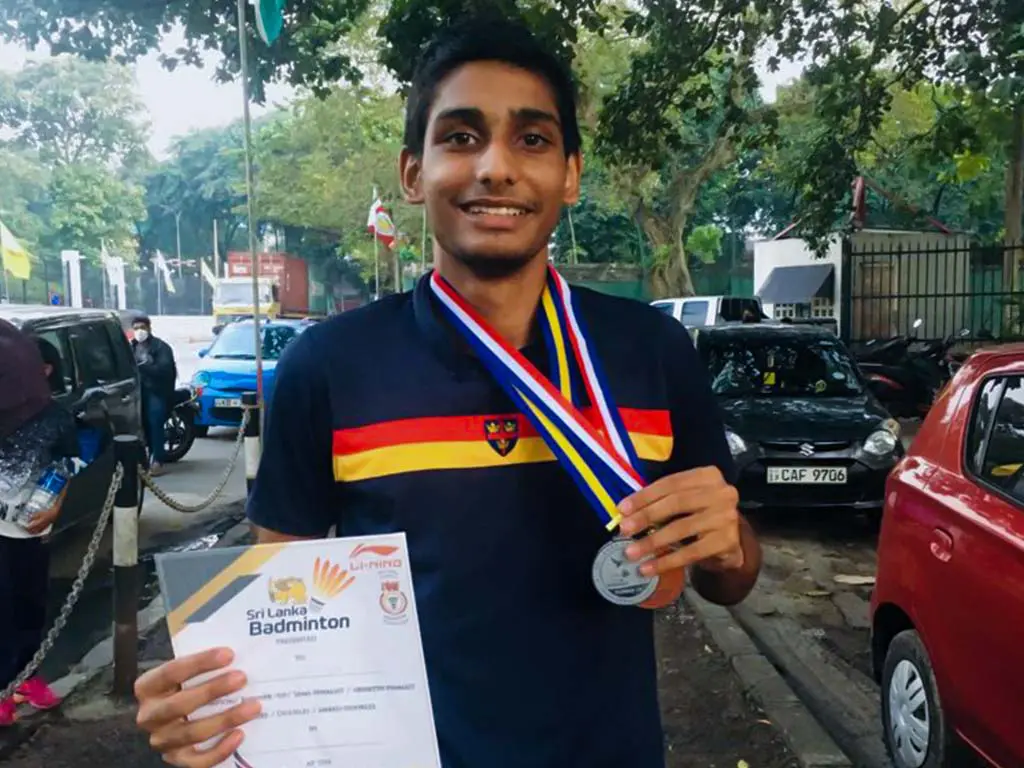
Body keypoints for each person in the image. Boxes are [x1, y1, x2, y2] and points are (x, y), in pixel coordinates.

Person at [133, 17, 762, 768]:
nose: (495, 168)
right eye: (461, 137)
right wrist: (208, 709)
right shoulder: (330, 364)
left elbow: (731, 577)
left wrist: (727, 547)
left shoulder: (651, 351)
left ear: (570, 174)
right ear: (412, 173)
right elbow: (281, 606)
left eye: (532, 139)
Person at [0, 321, 79, 726]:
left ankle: (27, 676)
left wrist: (55, 508)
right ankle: (3, 689)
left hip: (31, 528)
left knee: (30, 604)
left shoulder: (54, 416)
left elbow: (66, 464)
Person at [131, 314, 177, 475]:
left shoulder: (161, 347)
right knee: (141, 424)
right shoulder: (131, 346)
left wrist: (144, 367)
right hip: (137, 392)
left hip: (156, 391)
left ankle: (158, 460)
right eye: (136, 328)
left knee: (155, 421)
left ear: (149, 328)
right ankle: (145, 458)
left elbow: (165, 370)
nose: (139, 331)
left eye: (142, 328)